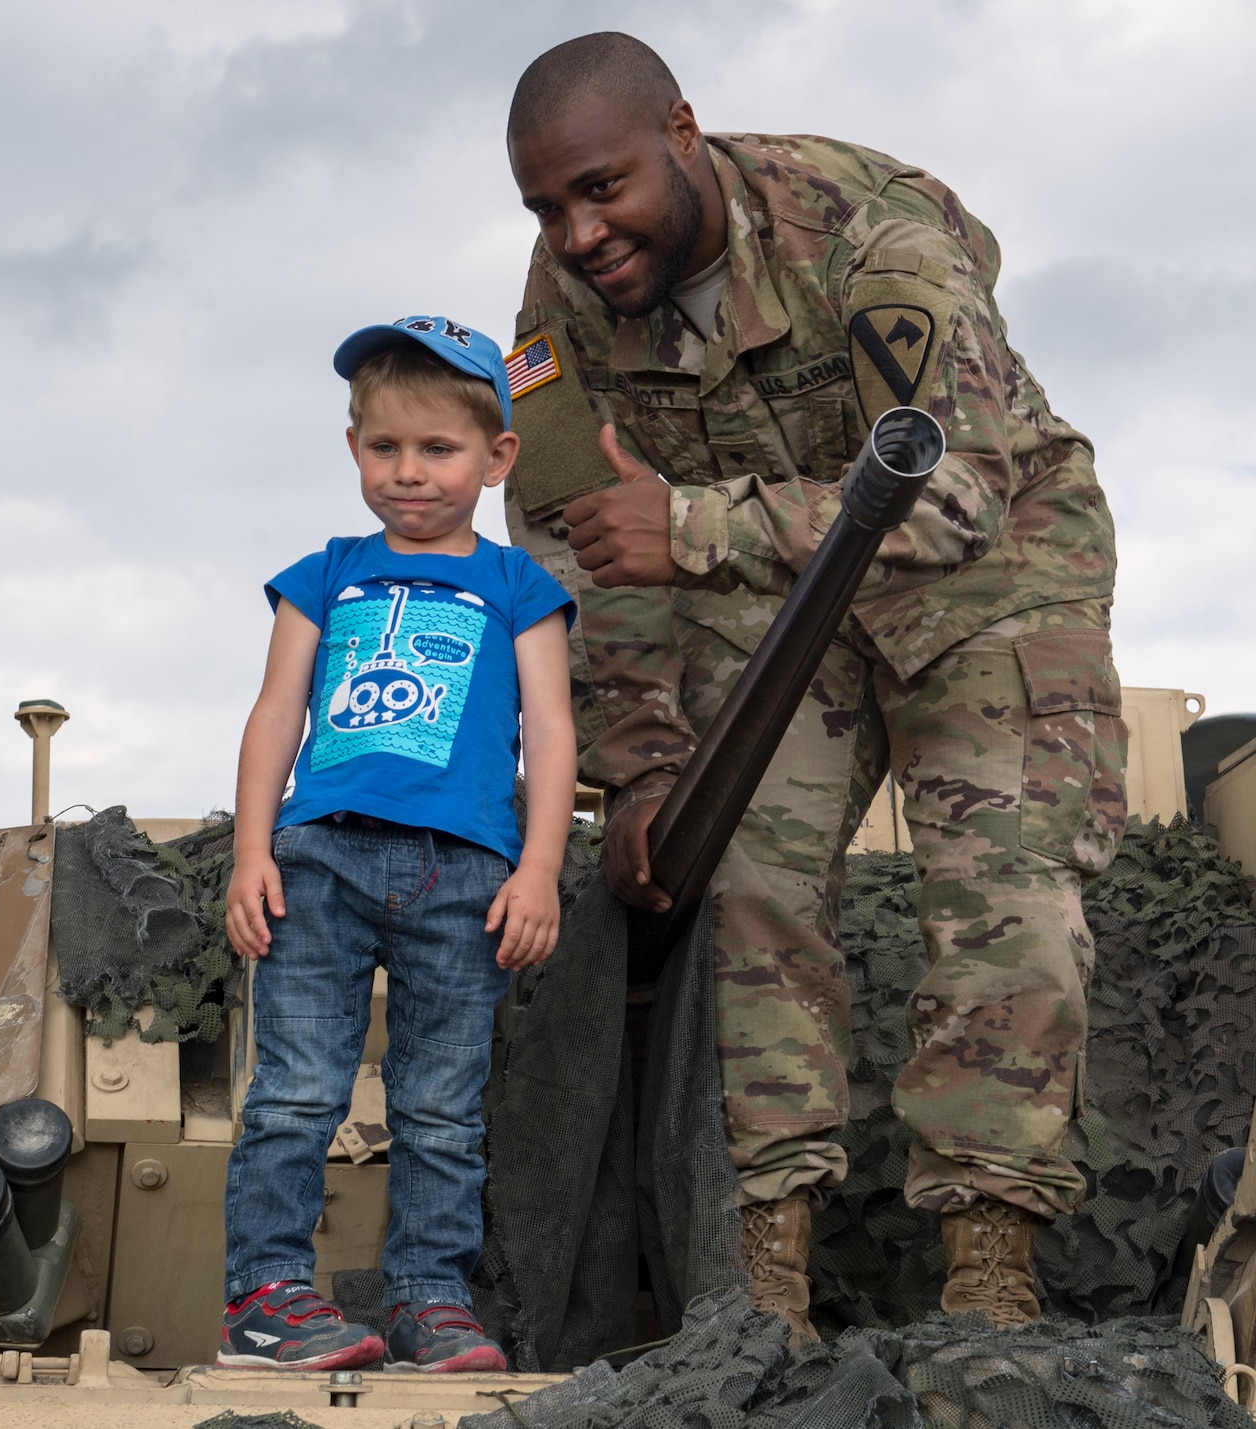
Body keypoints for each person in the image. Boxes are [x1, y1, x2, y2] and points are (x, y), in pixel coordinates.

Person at [498, 34, 1125, 1341]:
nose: (580, 230)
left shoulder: (874, 234)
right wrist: (648, 759)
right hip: (787, 606)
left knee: (1008, 891)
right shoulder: (557, 309)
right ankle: (761, 1280)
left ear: (682, 129)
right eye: (548, 207)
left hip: (989, 573)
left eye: (603, 187)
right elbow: (566, 536)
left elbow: (954, 490)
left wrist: (695, 532)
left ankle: (989, 1278)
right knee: (741, 887)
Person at [219, 315, 578, 1372]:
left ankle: (428, 1296)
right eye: (384, 448)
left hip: (463, 873)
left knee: (438, 1104)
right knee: (293, 1088)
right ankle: (267, 1295)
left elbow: (552, 730)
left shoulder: (516, 586)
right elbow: (274, 713)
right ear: (352, 450)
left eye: (438, 450)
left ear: (494, 457)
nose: (408, 473)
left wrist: (540, 868)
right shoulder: (322, 573)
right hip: (317, 860)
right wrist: (250, 850)